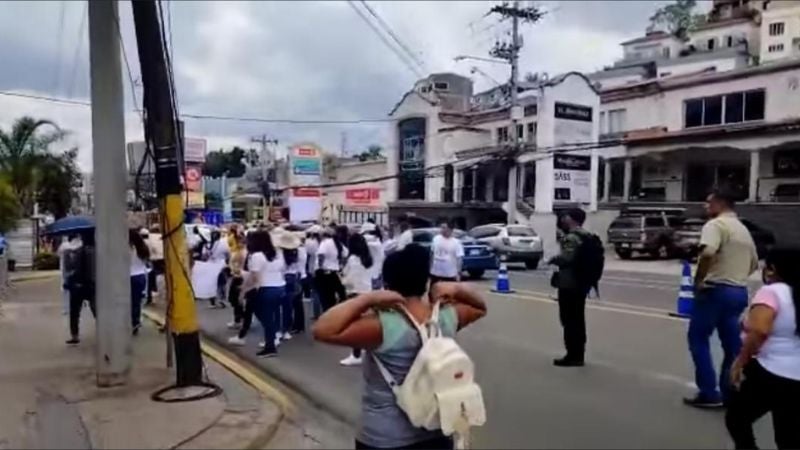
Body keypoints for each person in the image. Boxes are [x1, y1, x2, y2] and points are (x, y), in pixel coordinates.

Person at [313, 244, 487, 450]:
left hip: (385, 435)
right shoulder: (446, 317)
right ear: (426, 281)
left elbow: (323, 329)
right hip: (436, 427)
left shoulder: (382, 325)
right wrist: (456, 288)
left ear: (388, 283)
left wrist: (368, 298)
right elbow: (479, 307)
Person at [685, 190, 759, 409]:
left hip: (715, 289)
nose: (705, 206)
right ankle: (730, 391)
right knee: (731, 343)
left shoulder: (715, 225)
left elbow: (707, 253)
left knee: (698, 338)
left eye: (708, 203)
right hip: (738, 291)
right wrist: (736, 275)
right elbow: (754, 262)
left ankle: (708, 392)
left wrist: (699, 280)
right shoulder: (742, 229)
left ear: (719, 203)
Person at [725, 246, 800, 450]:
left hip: (771, 371)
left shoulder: (772, 291)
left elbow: (759, 330)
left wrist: (741, 361)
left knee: (737, 418)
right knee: (788, 436)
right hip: (796, 375)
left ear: (772, 269)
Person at [230, 230, 286, 357]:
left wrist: (243, 291)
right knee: (269, 317)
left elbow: (254, 278)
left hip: (266, 289)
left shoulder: (257, 256)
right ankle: (273, 338)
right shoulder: (278, 254)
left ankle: (270, 346)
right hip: (280, 287)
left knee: (265, 317)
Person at [548, 208, 592, 367]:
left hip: (569, 284)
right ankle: (578, 353)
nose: (563, 219)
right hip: (581, 283)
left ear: (572, 219)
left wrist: (553, 259)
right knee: (578, 319)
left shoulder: (572, 238)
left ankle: (573, 355)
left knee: (569, 320)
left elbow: (567, 258)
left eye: (566, 216)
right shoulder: (587, 235)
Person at [339, 233, 375, 367]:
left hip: (355, 293)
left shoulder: (353, 259)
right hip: (367, 292)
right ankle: (364, 351)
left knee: (354, 326)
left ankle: (355, 355)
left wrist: (342, 279)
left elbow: (350, 280)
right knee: (365, 324)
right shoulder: (368, 258)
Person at [64, 232, 95, 345]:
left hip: (78, 285)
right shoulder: (98, 252)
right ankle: (104, 331)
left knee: (74, 312)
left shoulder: (78, 252)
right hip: (92, 285)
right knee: (96, 309)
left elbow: (72, 268)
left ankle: (75, 335)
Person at [274, 229, 303, 342]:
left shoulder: (279, 253)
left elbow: (279, 268)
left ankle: (277, 330)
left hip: (281, 279)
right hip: (293, 278)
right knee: (288, 307)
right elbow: (300, 268)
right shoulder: (298, 252)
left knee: (277, 307)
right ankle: (286, 330)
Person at [316, 227, 348, 312]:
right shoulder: (338, 243)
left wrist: (320, 265)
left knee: (328, 298)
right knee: (339, 294)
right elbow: (345, 254)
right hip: (336, 272)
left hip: (325, 273)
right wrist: (341, 264)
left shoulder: (325, 243)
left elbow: (321, 255)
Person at [430, 221, 464, 286]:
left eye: (444, 227)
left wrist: (458, 272)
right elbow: (432, 254)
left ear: (450, 229)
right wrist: (430, 268)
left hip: (449, 274)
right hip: (435, 273)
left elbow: (459, 258)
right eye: (441, 227)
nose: (442, 229)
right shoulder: (435, 239)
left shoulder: (456, 242)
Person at [129, 228, 150, 336]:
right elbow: (147, 262)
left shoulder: (127, 249)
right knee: (136, 301)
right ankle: (135, 322)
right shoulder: (142, 248)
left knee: (127, 302)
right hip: (140, 276)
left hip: (128, 277)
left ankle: (130, 321)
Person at [226, 228, 247, 330]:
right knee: (236, 300)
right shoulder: (239, 251)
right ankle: (241, 318)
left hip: (239, 277)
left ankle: (239, 320)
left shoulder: (241, 252)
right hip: (238, 277)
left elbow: (238, 266)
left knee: (236, 300)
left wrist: (234, 269)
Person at [206, 230, 230, 309]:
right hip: (221, 265)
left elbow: (204, 255)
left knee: (211, 283)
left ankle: (212, 302)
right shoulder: (224, 244)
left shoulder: (208, 244)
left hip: (210, 265)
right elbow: (228, 254)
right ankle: (221, 300)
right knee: (221, 283)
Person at [57, 235, 80, 315]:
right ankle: (76, 308)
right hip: (76, 271)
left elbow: (58, 254)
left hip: (65, 271)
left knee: (65, 290)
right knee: (76, 290)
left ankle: (65, 309)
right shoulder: (80, 244)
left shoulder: (63, 245)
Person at [305, 225, 322, 319]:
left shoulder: (310, 243)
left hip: (313, 269)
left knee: (315, 292)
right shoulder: (325, 242)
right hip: (325, 269)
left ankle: (316, 313)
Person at [143, 227, 163, 305]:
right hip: (158, 261)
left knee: (149, 281)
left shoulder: (146, 242)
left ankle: (149, 297)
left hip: (150, 262)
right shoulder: (159, 238)